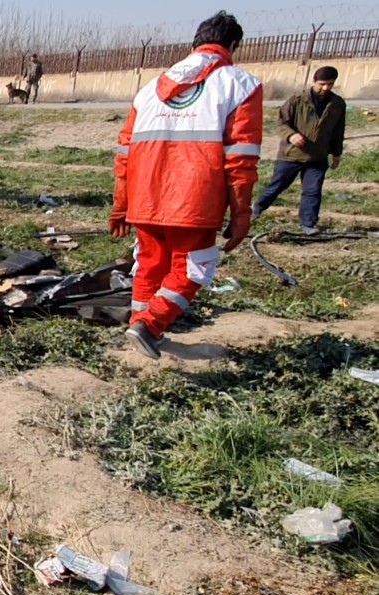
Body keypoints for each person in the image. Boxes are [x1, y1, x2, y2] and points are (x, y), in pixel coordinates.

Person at [110, 11, 262, 360]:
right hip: (195, 199)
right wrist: (241, 212)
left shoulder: (150, 89)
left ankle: (142, 327)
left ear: (194, 43)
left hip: (145, 197)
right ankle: (149, 326)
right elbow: (241, 159)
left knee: (150, 264)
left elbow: (124, 152)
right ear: (233, 45)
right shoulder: (240, 85)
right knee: (193, 268)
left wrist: (122, 204)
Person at [252, 66, 345, 236]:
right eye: (322, 84)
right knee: (277, 186)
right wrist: (291, 135)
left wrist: (337, 154)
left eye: (330, 84)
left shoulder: (337, 104)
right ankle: (257, 209)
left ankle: (308, 224)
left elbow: (338, 131)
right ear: (314, 81)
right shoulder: (297, 100)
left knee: (313, 191)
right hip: (291, 155)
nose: (325, 88)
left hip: (318, 157)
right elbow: (281, 123)